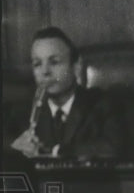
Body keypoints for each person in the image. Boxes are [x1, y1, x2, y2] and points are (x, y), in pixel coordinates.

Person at [7, 26, 125, 159]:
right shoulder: (22, 111)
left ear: (76, 66)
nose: (45, 72)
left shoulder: (103, 105)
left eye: (54, 62)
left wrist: (53, 151)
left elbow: (112, 148)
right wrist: (15, 147)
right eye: (37, 64)